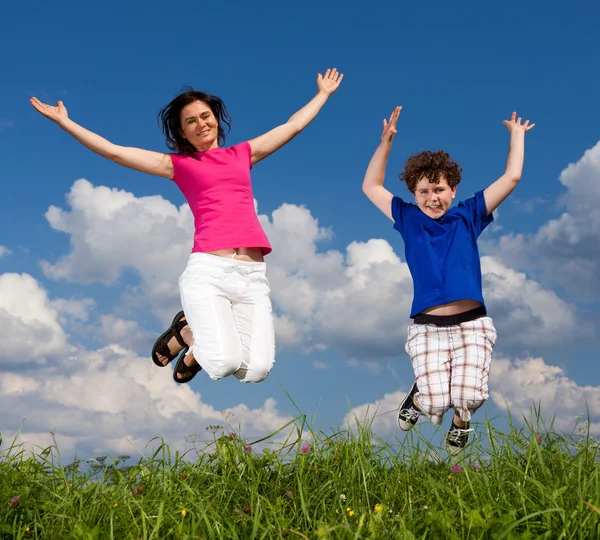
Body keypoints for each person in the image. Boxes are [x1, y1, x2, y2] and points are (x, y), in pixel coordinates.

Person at [30, 68, 343, 384]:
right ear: (181, 132)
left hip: (252, 277)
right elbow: (115, 153)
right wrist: (65, 122)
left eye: (205, 116)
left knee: (256, 372)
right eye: (190, 121)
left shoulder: (243, 154)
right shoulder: (179, 166)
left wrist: (323, 94)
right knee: (222, 364)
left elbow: (293, 126)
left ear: (216, 119)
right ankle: (188, 334)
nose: (201, 124)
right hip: (209, 271)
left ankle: (191, 341)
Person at [362, 106, 534, 454]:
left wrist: (517, 135)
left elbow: (512, 177)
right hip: (427, 326)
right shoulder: (407, 218)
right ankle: (419, 396)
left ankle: (461, 424)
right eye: (424, 191)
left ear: (453, 190)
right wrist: (385, 143)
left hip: (472, 324)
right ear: (414, 194)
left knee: (470, 396)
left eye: (439, 189)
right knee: (436, 402)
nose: (432, 198)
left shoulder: (470, 214)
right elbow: (371, 186)